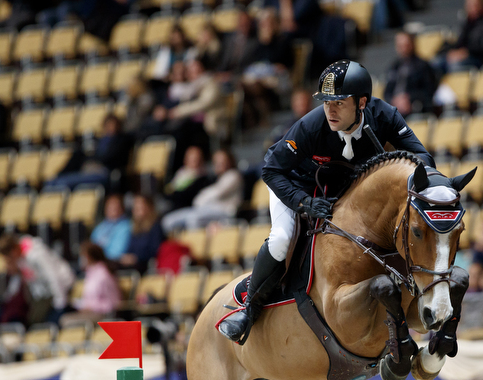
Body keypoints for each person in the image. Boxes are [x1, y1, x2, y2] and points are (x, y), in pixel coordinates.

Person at [218, 60, 435, 344]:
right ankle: (249, 309)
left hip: (339, 188)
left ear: (362, 103)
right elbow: (271, 169)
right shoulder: (311, 126)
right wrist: (303, 202)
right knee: (282, 238)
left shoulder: (385, 117)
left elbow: (423, 159)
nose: (330, 110)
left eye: (339, 103)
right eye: (326, 102)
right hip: (294, 185)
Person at [0, 234, 75, 325]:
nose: (10, 260)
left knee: (42, 322)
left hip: (61, 287)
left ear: (13, 251)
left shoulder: (36, 254)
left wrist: (60, 302)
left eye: (9, 257)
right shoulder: (20, 258)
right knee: (33, 320)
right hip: (44, 293)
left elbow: (52, 276)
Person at [162, 148, 244, 232]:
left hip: (225, 212)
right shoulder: (215, 178)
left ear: (229, 161)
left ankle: (195, 243)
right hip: (204, 210)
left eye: (222, 161)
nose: (219, 164)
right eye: (216, 162)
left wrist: (200, 199)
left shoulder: (233, 175)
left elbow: (216, 193)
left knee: (193, 218)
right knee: (168, 220)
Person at [48, 114, 133, 190]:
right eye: (108, 124)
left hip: (103, 172)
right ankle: (58, 176)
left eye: (112, 124)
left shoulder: (122, 140)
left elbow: (112, 158)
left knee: (61, 183)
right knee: (51, 183)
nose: (110, 127)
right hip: (89, 169)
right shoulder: (101, 141)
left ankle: (59, 179)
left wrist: (93, 159)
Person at [60, 242, 121, 327]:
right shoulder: (90, 273)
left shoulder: (104, 275)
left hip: (102, 315)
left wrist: (92, 307)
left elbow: (112, 303)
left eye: (83, 256)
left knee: (68, 321)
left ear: (90, 257)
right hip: (89, 313)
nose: (81, 259)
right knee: (64, 318)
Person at [437, 0, 483, 71]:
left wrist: (467, 52)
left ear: (481, 5)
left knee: (455, 65)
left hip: (478, 58)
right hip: (463, 55)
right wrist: (452, 52)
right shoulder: (468, 23)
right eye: (468, 5)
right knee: (437, 62)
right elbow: (460, 42)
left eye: (473, 5)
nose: (470, 8)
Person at [383, 31, 437, 116]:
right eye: (400, 46)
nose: (402, 49)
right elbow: (387, 92)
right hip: (395, 107)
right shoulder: (394, 66)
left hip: (414, 107)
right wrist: (394, 100)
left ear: (412, 44)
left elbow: (429, 90)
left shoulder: (422, 66)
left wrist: (409, 98)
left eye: (405, 45)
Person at [119, 195, 166, 272]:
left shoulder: (156, 227)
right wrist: (126, 257)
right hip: (133, 264)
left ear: (148, 207)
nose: (136, 210)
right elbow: (130, 248)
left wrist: (136, 258)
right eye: (135, 207)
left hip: (146, 265)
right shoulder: (135, 228)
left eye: (139, 207)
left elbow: (155, 250)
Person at [90, 193, 132, 261]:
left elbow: (116, 253)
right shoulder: (100, 227)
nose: (112, 209)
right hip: (97, 263)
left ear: (122, 208)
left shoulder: (126, 227)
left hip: (111, 264)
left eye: (115, 207)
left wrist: (97, 257)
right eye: (110, 207)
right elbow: (91, 247)